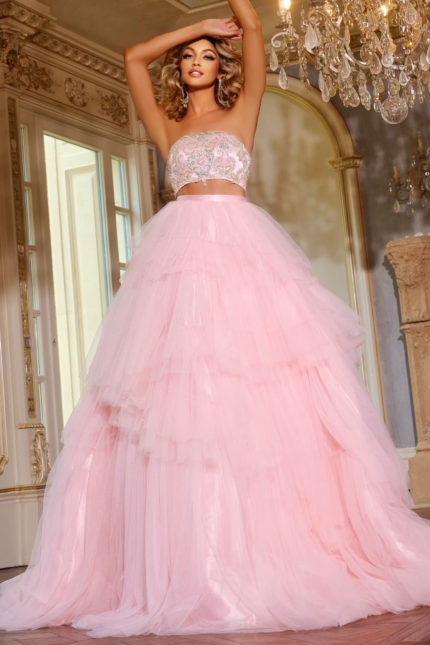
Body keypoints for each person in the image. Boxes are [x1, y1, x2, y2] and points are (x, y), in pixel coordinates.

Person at [1, 0, 430, 638]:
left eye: (208, 57)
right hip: (176, 260)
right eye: (191, 59)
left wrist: (228, 22)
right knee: (172, 397)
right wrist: (194, 28)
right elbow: (130, 58)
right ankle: (189, 559)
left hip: (240, 250)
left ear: (220, 69)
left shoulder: (243, 108)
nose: (200, 62)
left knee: (259, 390)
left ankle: (268, 549)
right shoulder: (167, 126)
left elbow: (254, 29)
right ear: (181, 70)